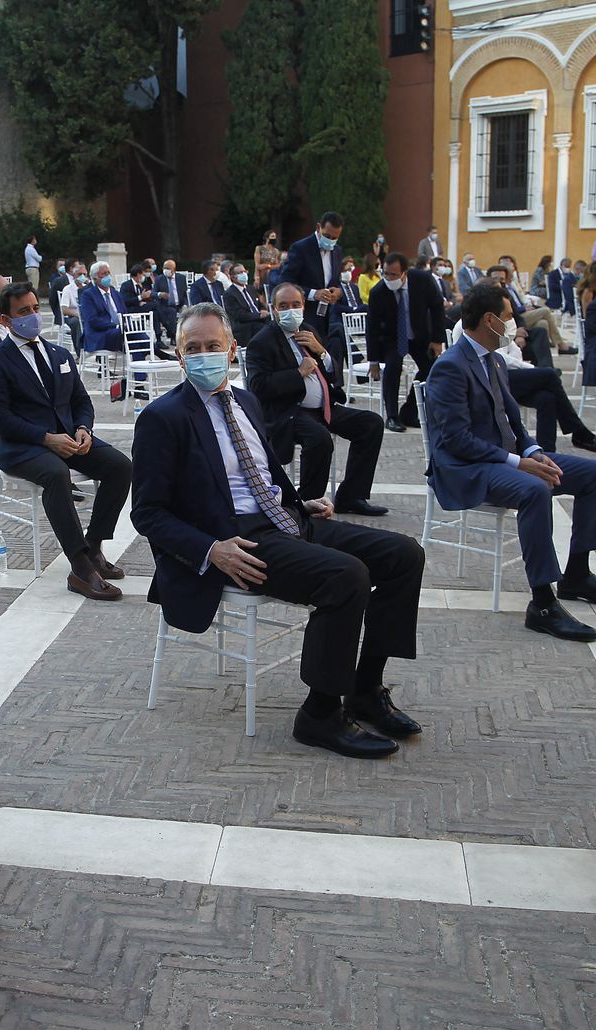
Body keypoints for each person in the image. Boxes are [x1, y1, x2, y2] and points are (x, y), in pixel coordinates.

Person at [131, 302, 425, 758]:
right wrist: (211, 549)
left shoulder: (246, 401)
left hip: (285, 519)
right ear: (179, 355)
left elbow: (260, 473)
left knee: (404, 555)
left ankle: (365, 688)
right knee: (346, 577)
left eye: (213, 345)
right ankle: (320, 715)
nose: (204, 355)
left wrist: (297, 503)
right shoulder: (162, 417)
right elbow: (147, 513)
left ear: (232, 349)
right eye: (194, 348)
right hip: (237, 542)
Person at [424, 284, 596, 643]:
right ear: (489, 320)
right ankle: (543, 605)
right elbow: (455, 440)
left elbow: (514, 423)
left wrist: (532, 451)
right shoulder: (450, 366)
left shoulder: (496, 360)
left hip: (504, 459)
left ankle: (577, 574)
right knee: (535, 489)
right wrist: (518, 463)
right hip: (465, 467)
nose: (514, 324)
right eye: (508, 317)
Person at [0, 283, 132, 600]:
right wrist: (46, 438)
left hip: (67, 437)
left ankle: (94, 546)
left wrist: (84, 428)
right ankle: (80, 568)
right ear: (6, 319)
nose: (33, 316)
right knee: (57, 474)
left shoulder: (59, 353)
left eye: (35, 308)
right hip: (20, 444)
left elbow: (80, 401)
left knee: (121, 466)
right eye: (23, 311)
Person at [246, 283, 388, 517]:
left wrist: (322, 351)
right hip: (290, 412)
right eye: (284, 306)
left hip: (324, 408)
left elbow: (333, 375)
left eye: (296, 305)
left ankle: (351, 496)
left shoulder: (308, 331)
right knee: (319, 439)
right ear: (274, 309)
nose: (291, 310)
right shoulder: (262, 342)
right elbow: (258, 386)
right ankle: (308, 506)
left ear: (304, 306)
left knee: (371, 423)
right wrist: (298, 373)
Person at [470, 306, 596, 453]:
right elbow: (499, 358)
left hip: (509, 376)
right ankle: (578, 430)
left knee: (547, 397)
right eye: (508, 315)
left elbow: (514, 350)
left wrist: (520, 361)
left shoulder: (499, 327)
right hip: (492, 383)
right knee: (549, 375)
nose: (511, 320)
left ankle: (548, 453)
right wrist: (530, 368)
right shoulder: (476, 329)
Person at [367, 252, 447, 432]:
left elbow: (437, 308)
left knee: (431, 369)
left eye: (393, 274)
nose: (389, 278)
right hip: (392, 338)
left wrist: (437, 340)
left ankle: (409, 412)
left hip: (420, 335)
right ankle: (392, 417)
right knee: (393, 367)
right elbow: (372, 327)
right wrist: (373, 360)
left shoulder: (422, 280)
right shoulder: (378, 292)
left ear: (405, 273)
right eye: (385, 273)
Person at [279, 211, 348, 338]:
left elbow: (336, 280)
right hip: (305, 316)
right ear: (318, 227)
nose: (330, 240)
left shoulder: (337, 251)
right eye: (327, 236)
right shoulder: (301, 248)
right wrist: (313, 294)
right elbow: (286, 282)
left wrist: (338, 292)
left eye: (334, 238)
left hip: (328, 317)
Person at [489, 264, 556, 368]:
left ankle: (546, 368)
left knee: (541, 330)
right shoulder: (486, 302)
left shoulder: (506, 297)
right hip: (503, 344)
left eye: (501, 279)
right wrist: (516, 335)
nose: (499, 282)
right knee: (544, 315)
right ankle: (543, 370)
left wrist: (520, 332)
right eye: (495, 279)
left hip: (513, 336)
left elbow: (517, 317)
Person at [78, 262, 128, 360]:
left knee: (137, 336)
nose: (108, 276)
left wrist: (126, 325)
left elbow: (125, 314)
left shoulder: (115, 293)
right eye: (104, 274)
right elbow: (92, 320)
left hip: (119, 332)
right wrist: (116, 326)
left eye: (108, 273)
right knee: (131, 338)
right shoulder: (88, 295)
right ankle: (153, 353)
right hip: (99, 334)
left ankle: (139, 370)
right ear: (95, 278)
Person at [224, 262, 271, 349]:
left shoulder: (250, 288)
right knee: (265, 330)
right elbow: (239, 315)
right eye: (240, 272)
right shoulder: (229, 294)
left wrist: (263, 310)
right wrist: (259, 315)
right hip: (245, 325)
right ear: (233, 277)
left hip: (259, 320)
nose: (244, 274)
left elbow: (259, 305)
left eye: (245, 271)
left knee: (275, 324)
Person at [57, 263, 86, 357]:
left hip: (86, 315)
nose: (82, 277)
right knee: (76, 322)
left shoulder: (87, 288)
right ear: (74, 275)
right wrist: (78, 314)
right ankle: (79, 352)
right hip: (72, 316)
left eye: (84, 274)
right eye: (80, 274)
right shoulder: (68, 289)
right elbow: (64, 309)